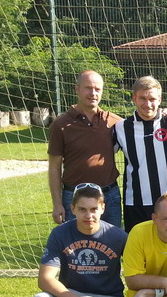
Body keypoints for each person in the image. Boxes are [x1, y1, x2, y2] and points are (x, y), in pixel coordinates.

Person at [48, 70, 122, 227]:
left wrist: (161, 114)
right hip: (74, 196)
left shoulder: (114, 122)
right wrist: (57, 203)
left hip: (109, 196)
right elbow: (54, 166)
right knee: (76, 248)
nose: (93, 93)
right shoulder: (60, 124)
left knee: (112, 247)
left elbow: (139, 127)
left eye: (97, 89)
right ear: (77, 89)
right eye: (88, 88)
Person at [114, 76, 167, 232]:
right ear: (134, 98)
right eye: (142, 98)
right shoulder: (120, 127)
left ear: (160, 99)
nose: (148, 104)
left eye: (152, 99)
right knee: (138, 249)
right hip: (136, 202)